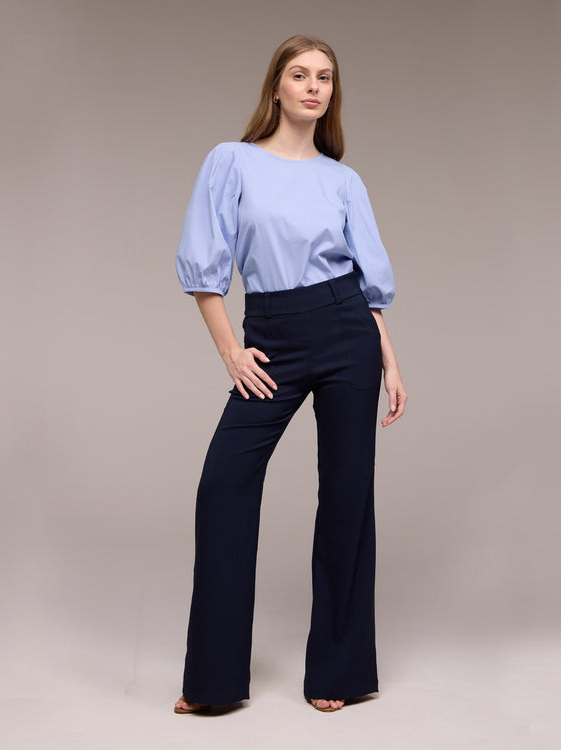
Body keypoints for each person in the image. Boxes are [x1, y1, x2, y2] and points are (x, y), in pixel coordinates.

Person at [173, 34, 407, 714]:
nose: (313, 87)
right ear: (275, 86)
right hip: (272, 334)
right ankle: (213, 682)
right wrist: (231, 352)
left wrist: (390, 361)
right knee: (223, 486)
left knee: (347, 499)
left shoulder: (343, 180)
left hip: (347, 331)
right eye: (300, 75)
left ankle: (338, 674)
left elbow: (367, 286)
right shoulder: (232, 162)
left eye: (324, 77)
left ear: (332, 93)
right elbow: (204, 270)